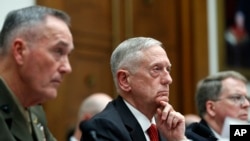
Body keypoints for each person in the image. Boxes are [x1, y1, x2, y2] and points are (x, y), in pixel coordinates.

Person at [80, 37, 189, 141]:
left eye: (168, 69)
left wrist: (179, 139)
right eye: (156, 69)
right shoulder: (104, 128)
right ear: (124, 80)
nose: (168, 79)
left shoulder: (166, 129)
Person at [0, 5, 74, 141]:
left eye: (68, 54)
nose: (67, 68)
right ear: (20, 51)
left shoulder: (34, 112)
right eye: (58, 51)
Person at [185, 71, 250, 141]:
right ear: (211, 108)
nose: (247, 104)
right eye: (237, 98)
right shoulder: (191, 138)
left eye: (247, 98)